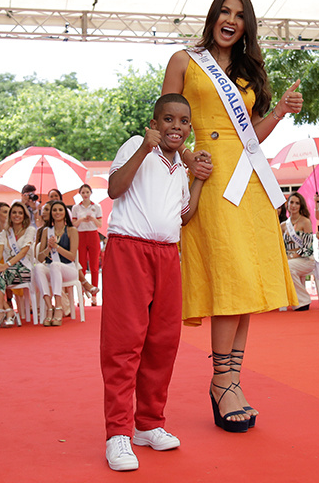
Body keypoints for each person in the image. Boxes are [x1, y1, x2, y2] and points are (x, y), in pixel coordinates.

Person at [161, 0, 301, 434]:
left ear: (246, 26)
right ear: (213, 17)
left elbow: (250, 136)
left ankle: (231, 380)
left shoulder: (246, 74)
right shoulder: (185, 60)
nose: (231, 20)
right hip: (210, 176)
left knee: (243, 280)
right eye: (225, 11)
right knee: (228, 277)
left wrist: (277, 111)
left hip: (248, 181)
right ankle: (222, 381)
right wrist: (187, 161)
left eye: (240, 15)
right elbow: (166, 123)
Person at [100, 93, 208, 471]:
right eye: (168, 119)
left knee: (162, 341)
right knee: (124, 341)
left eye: (182, 121)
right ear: (155, 122)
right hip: (128, 249)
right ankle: (118, 433)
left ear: (189, 128)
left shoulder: (181, 166)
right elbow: (114, 189)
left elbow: (185, 215)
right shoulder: (136, 145)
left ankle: (148, 423)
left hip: (167, 254)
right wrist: (144, 149)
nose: (175, 127)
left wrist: (197, 181)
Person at [0, 201, 35, 329]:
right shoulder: (5, 232)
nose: (17, 215)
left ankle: (0, 312)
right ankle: (8, 310)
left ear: (24, 216)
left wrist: (5, 265)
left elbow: (23, 252)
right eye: (14, 213)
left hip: (25, 269)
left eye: (20, 213)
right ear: (10, 215)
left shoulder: (30, 230)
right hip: (7, 271)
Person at [33, 200, 77, 327]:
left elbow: (72, 256)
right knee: (39, 267)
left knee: (54, 265)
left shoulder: (71, 230)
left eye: (60, 210)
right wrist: (48, 247)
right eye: (54, 210)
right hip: (50, 268)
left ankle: (58, 306)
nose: (57, 212)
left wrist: (56, 247)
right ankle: (49, 307)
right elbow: (40, 258)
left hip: (68, 268)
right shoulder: (47, 231)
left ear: (65, 213)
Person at [283, 192, 317, 311]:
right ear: (287, 205)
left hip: (306, 259)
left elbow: (308, 248)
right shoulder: (283, 225)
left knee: (288, 267)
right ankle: (296, 300)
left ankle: (303, 300)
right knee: (286, 266)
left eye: (297, 203)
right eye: (291, 202)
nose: (294, 205)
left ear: (301, 206)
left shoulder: (305, 222)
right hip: (289, 260)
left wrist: (291, 256)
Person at [72, 183, 102, 305]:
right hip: (80, 235)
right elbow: (73, 224)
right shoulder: (76, 208)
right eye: (83, 192)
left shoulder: (96, 207)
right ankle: (82, 294)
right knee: (82, 266)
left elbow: (100, 224)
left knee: (94, 266)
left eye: (87, 192)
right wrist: (81, 219)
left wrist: (92, 219)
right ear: (80, 194)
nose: (85, 195)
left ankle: (94, 295)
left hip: (93, 235)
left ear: (90, 193)